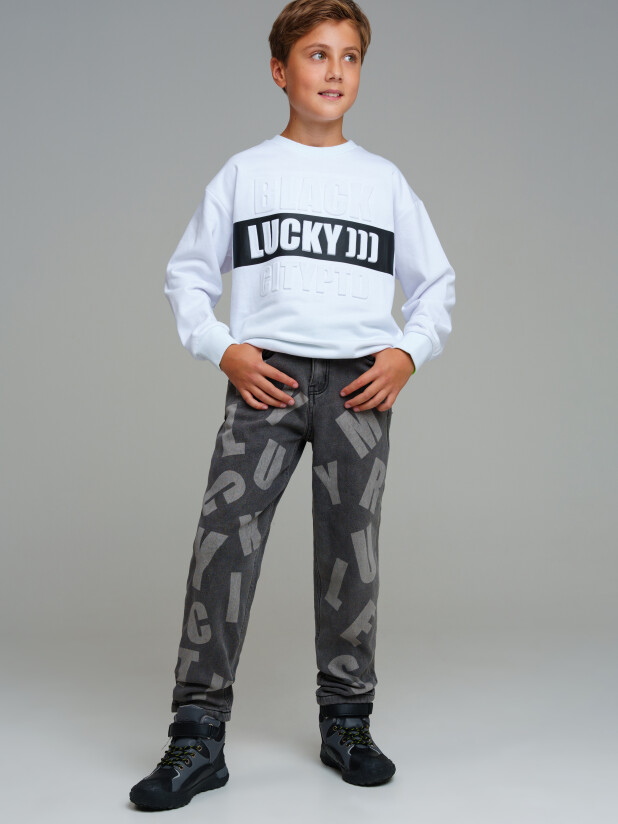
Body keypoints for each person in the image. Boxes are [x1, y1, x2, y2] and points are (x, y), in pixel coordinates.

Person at [130, 0, 455, 810]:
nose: (334, 70)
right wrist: (224, 348)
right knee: (222, 548)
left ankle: (347, 721)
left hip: (356, 387)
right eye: (317, 54)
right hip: (264, 381)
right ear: (280, 70)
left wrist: (407, 353)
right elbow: (187, 275)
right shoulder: (246, 173)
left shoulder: (383, 181)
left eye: (350, 56)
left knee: (351, 553)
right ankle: (196, 734)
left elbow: (437, 285)